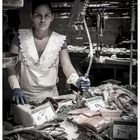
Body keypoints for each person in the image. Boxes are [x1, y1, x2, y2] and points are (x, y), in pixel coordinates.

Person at [8, 0, 90, 105]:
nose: (42, 20)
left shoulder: (59, 40)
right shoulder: (19, 37)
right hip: (23, 98)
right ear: (31, 16)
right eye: (38, 15)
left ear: (52, 17)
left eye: (47, 15)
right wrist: (15, 88)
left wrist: (77, 81)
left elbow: (67, 67)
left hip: (51, 99)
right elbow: (10, 65)